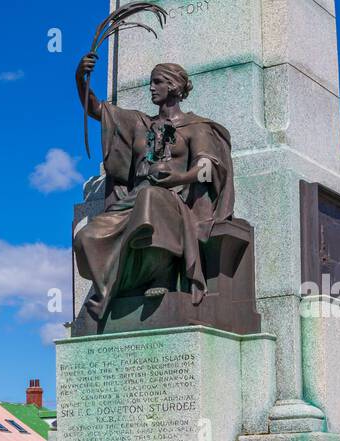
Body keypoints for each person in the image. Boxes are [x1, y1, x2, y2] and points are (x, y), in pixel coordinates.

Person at [73, 54, 235, 322]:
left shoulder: (196, 128)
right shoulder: (139, 123)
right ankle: (113, 287)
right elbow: (95, 109)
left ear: (173, 86)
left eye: (157, 82)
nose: (151, 87)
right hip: (133, 200)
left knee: (150, 198)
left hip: (172, 199)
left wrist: (177, 178)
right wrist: (80, 78)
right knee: (86, 236)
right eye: (151, 82)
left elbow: (208, 168)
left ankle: (163, 272)